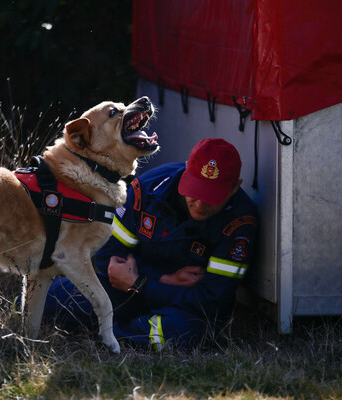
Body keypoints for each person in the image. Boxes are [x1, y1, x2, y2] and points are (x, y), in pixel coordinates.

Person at [43, 138, 258, 350]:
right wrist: (159, 280)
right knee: (54, 298)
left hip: (183, 307)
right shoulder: (149, 187)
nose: (200, 204)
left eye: (211, 196)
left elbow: (211, 301)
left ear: (234, 188)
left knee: (187, 330)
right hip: (128, 290)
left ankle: (115, 336)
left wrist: (142, 283)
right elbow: (109, 256)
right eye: (196, 190)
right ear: (186, 172)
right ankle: (130, 329)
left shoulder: (240, 223)